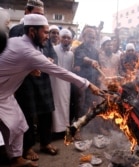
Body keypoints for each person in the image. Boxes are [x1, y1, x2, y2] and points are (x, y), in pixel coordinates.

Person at [0, 14, 101, 167]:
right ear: (32, 31)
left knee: (18, 124)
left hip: (5, 95)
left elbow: (13, 62)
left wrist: (30, 68)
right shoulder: (29, 51)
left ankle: (15, 159)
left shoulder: (17, 42)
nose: (47, 36)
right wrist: (87, 84)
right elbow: (60, 71)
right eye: (45, 32)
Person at [9, 0, 58, 161]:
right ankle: (27, 147)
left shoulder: (44, 30)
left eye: (42, 15)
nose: (40, 18)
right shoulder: (17, 30)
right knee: (27, 114)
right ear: (26, 12)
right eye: (37, 14)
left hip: (43, 78)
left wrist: (49, 60)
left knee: (47, 111)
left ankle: (45, 142)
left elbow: (51, 53)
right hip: (26, 79)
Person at [72, 25, 102, 138]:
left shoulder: (95, 51)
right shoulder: (79, 48)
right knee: (80, 104)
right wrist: (90, 61)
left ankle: (91, 127)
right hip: (81, 82)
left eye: (94, 38)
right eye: (90, 37)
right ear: (84, 37)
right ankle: (77, 129)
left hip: (93, 81)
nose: (92, 40)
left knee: (91, 104)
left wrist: (98, 81)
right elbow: (83, 58)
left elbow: (98, 65)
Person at [51, 28, 74, 134]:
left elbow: (71, 69)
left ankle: (63, 129)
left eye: (68, 38)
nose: (66, 39)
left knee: (65, 104)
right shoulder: (53, 49)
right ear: (60, 38)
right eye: (64, 37)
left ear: (71, 40)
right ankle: (54, 130)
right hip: (54, 82)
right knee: (55, 104)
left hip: (66, 83)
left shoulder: (71, 54)